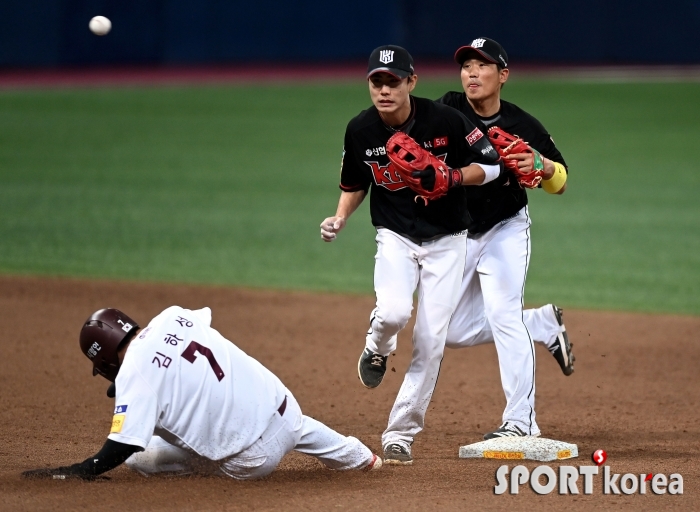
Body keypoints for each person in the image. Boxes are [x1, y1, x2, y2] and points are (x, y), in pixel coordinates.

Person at [320, 45, 503, 465]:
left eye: (393, 81)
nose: (384, 90)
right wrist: (340, 217)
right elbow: (354, 183)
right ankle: (377, 346)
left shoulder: (446, 120)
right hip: (396, 237)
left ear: (411, 82)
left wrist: (454, 176)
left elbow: (492, 166)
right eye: (377, 81)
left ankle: (401, 432)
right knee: (393, 313)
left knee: (430, 341)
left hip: (449, 241)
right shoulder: (360, 130)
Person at [22, 306, 382, 480]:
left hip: (252, 461)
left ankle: (204, 474)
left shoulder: (134, 377)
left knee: (140, 456)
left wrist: (83, 469)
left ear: (103, 357)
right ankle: (359, 457)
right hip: (287, 411)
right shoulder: (172, 316)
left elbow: (124, 444)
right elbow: (186, 345)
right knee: (290, 421)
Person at [436, 37, 574, 440]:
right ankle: (542, 323)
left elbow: (560, 182)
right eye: (466, 66)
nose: (472, 73)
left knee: (502, 313)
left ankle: (521, 421)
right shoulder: (448, 108)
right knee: (452, 331)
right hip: (459, 230)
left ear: (503, 75)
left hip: (504, 229)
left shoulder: (524, 125)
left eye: (482, 66)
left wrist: (544, 166)